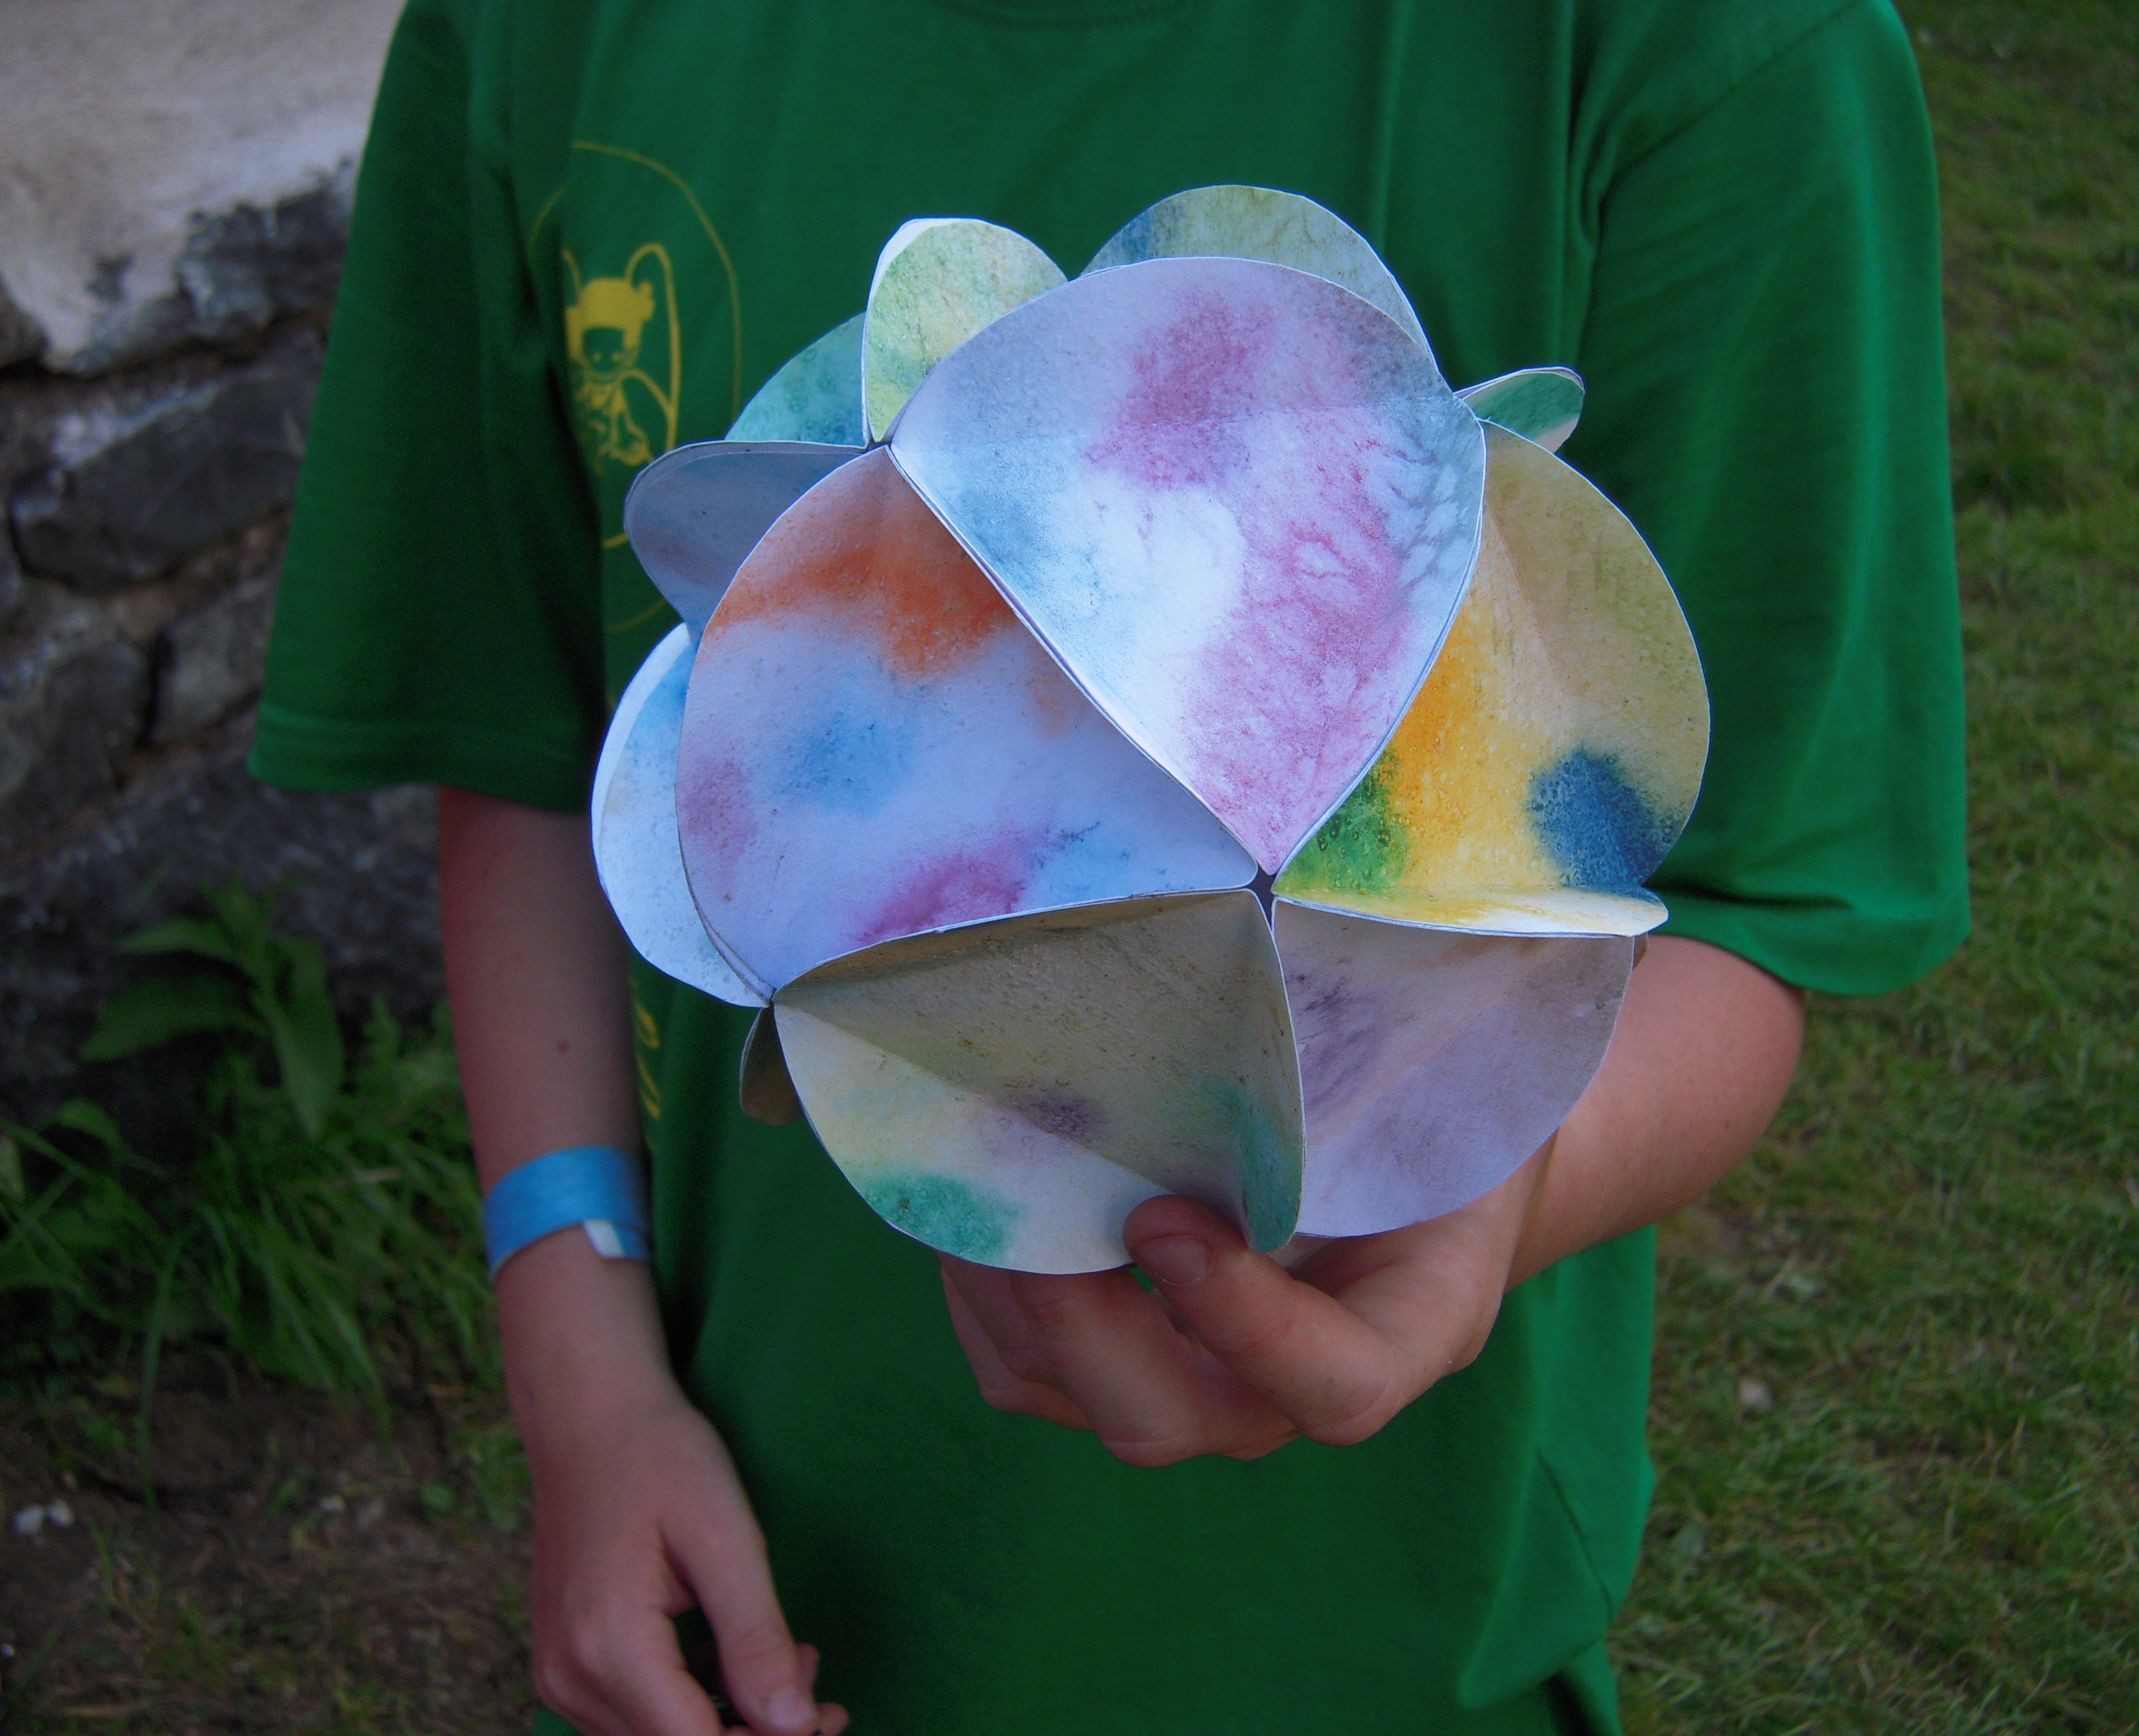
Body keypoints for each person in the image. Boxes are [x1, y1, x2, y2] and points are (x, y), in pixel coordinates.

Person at [253, 1, 1968, 1731]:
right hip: (757, 1533)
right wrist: (585, 1377)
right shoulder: (540, 33)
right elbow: (533, 750)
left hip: (1363, 1623)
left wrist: (1487, 1200)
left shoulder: (1707, 48)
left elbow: (1753, 904)